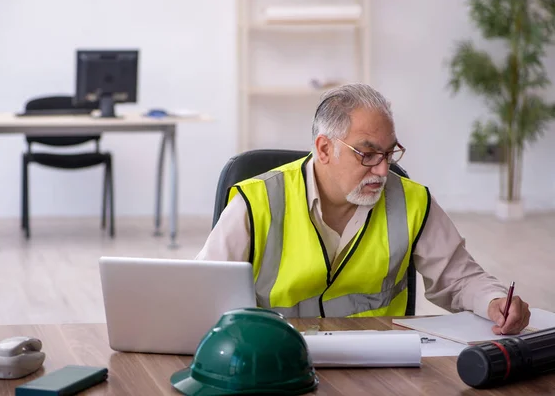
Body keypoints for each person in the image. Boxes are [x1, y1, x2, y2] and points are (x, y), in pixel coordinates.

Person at [197, 83, 531, 335]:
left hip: (379, 362)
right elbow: (200, 294)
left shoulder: (411, 201)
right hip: (274, 360)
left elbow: (459, 279)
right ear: (324, 149)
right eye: (367, 154)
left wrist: (494, 301)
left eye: (389, 153)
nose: (383, 171)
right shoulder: (257, 203)